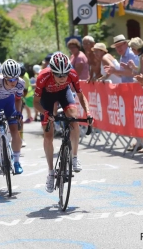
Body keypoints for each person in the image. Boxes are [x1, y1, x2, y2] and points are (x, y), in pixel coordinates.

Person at [33, 52, 92, 193]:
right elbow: (36, 103)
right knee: (48, 135)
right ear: (52, 71)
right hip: (46, 97)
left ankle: (75, 157)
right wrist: (46, 113)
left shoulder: (72, 74)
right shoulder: (43, 76)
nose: (63, 77)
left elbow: (80, 95)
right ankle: (51, 173)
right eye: (59, 75)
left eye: (65, 74)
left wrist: (88, 112)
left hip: (64, 93)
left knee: (74, 118)